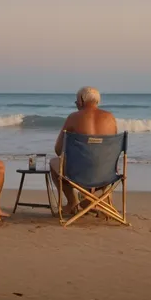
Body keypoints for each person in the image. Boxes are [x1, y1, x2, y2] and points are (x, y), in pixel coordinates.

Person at [49, 86, 118, 214]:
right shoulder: (110, 118)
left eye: (76, 101)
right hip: (107, 174)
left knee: (54, 163)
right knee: (97, 162)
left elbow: (58, 150)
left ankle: (72, 203)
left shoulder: (73, 117)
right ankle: (98, 201)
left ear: (81, 100)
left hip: (79, 174)